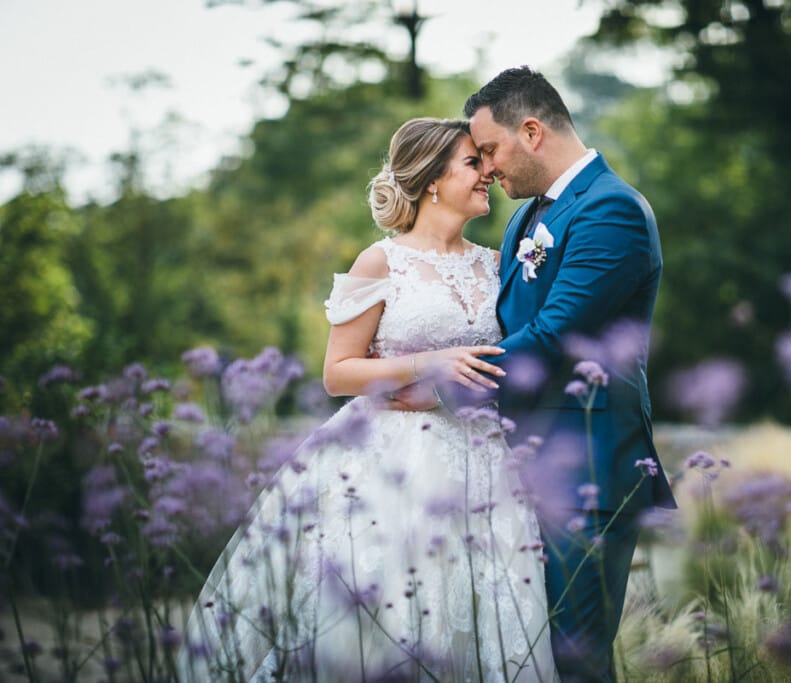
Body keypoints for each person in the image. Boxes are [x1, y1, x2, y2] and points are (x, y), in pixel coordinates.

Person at [176, 118, 557, 682]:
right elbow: (338, 372)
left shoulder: (496, 264)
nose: (488, 174)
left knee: (475, 614)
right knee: (389, 616)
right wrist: (427, 366)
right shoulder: (380, 262)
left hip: (482, 461)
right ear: (432, 179)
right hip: (389, 460)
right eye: (474, 163)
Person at [464, 66, 678, 682]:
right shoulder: (523, 217)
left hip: (588, 466)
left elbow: (555, 336)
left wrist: (437, 382)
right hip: (521, 465)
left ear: (531, 131)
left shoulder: (612, 210)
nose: (485, 168)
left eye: (489, 151)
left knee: (575, 659)